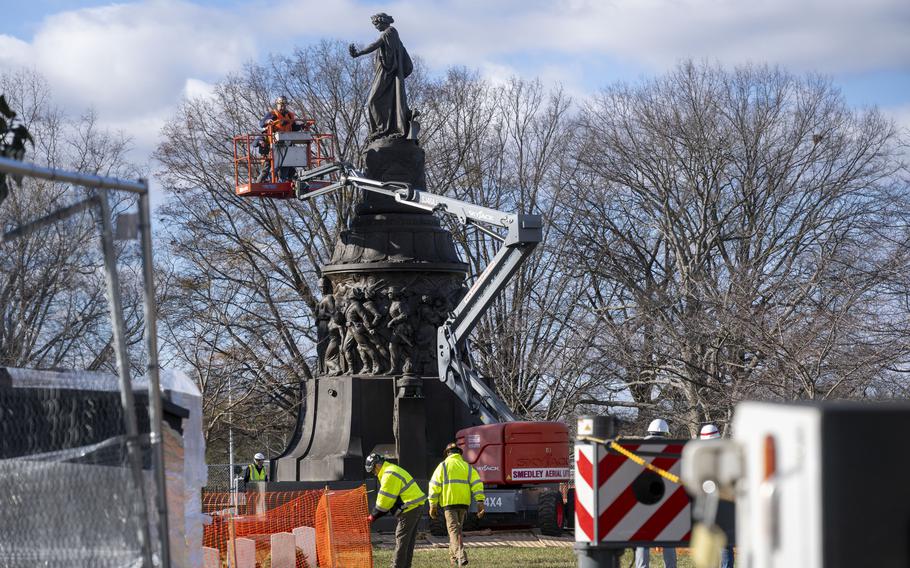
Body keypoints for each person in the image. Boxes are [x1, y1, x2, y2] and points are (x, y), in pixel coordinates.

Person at [348, 13, 413, 140]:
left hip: (388, 73)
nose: (375, 27)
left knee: (373, 100)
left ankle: (382, 129)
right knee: (380, 101)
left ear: (383, 22)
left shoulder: (390, 32)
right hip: (385, 72)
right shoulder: (390, 33)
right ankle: (383, 129)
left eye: (376, 24)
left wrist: (359, 53)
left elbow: (375, 44)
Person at [428, 442, 486, 567]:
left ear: (447, 453)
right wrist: (480, 501)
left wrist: (432, 505)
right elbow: (477, 484)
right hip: (463, 504)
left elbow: (434, 486)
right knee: (457, 531)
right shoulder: (467, 466)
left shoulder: (442, 466)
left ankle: (460, 555)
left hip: (449, 503)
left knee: (453, 531)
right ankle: (454, 560)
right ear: (459, 453)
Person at [365, 453, 426, 568]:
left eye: (373, 471)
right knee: (407, 542)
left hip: (410, 508)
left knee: (402, 540)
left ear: (377, 466)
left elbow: (384, 503)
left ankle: (396, 566)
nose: (374, 474)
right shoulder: (392, 469)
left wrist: (372, 516)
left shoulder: (389, 474)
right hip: (415, 506)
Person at [634, 419, 677, 568]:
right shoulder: (670, 449)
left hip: (643, 499)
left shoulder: (639, 449)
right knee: (668, 538)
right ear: (665, 432)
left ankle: (642, 566)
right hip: (665, 499)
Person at [700, 424, 735, 568]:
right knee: (724, 543)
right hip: (724, 502)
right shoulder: (727, 454)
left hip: (707, 503)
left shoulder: (699, 456)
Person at [255, 95, 301, 182]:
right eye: (281, 105)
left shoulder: (290, 116)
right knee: (269, 166)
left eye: (284, 105)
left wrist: (302, 126)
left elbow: (294, 127)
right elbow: (261, 123)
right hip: (274, 144)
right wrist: (267, 121)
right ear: (277, 104)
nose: (282, 107)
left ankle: (283, 181)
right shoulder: (272, 114)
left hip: (287, 144)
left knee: (287, 163)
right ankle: (261, 181)